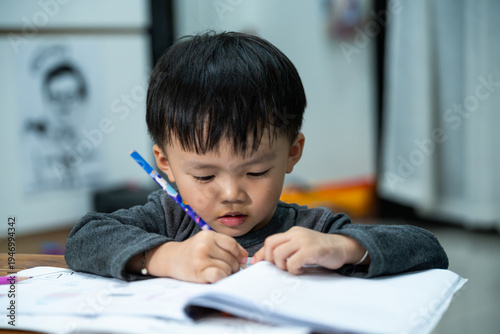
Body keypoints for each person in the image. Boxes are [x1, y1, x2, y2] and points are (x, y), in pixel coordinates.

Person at [65, 31, 448, 283]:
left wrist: (342, 247)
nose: (232, 193)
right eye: (204, 176)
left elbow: (427, 248)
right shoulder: (167, 219)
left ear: (291, 154)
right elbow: (84, 238)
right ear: (164, 163)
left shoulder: (312, 227)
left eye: (257, 170)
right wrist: (166, 257)